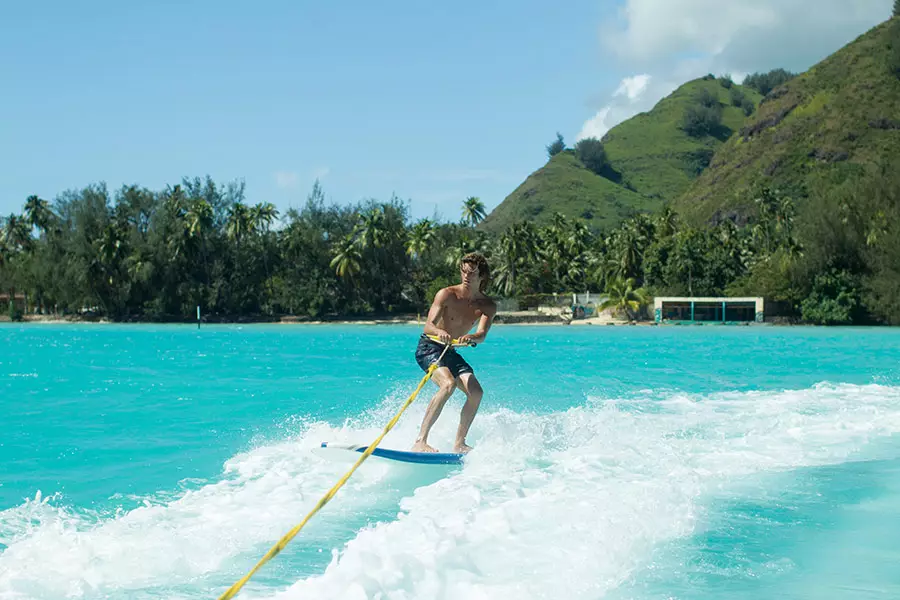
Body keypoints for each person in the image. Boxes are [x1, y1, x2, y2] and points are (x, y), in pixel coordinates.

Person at [412, 252, 497, 454]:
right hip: (429, 347)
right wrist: (439, 332)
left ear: (482, 276)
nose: (466, 276)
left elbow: (481, 334)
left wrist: (472, 338)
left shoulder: (487, 306)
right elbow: (428, 327)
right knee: (448, 384)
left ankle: (459, 443)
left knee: (476, 392)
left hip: (450, 351)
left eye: (472, 273)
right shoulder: (447, 294)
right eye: (463, 271)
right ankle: (420, 441)